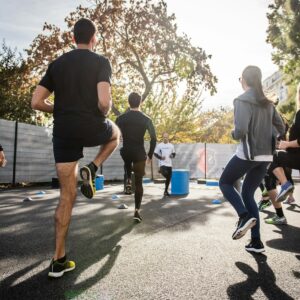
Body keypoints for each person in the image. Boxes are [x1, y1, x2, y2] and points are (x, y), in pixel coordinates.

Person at [31, 18, 120, 278]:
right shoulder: (101, 62)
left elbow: (36, 102)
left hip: (64, 132)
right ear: (94, 40)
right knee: (115, 134)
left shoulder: (57, 65)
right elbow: (104, 102)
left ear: (73, 39)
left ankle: (58, 259)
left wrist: (58, 108)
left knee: (66, 197)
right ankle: (92, 167)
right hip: (92, 126)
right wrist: (105, 111)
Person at [219, 65, 285, 253]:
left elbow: (240, 131)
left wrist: (232, 133)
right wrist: (271, 139)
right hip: (266, 157)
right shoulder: (268, 103)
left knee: (224, 182)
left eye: (240, 78)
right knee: (248, 194)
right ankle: (256, 242)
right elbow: (281, 128)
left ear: (245, 80)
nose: (240, 81)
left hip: (248, 154)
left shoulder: (241, 100)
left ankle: (243, 216)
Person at [116, 92, 156, 223]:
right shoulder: (146, 119)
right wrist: (150, 155)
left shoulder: (121, 118)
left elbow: (115, 134)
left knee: (127, 159)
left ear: (128, 102)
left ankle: (128, 178)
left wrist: (120, 137)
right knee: (138, 182)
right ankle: (137, 211)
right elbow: (153, 138)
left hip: (126, 151)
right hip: (139, 154)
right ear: (141, 102)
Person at [268, 83, 300, 203]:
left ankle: (285, 185)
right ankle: (286, 187)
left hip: (297, 156)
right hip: (293, 154)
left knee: (272, 156)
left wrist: (286, 144)